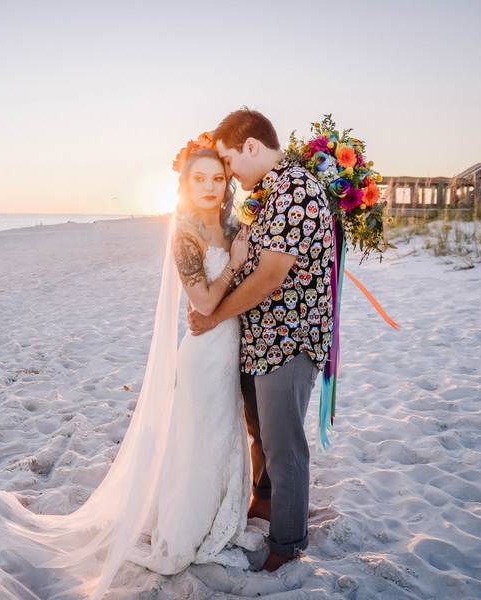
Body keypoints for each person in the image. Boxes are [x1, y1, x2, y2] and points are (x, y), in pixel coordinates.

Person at [0, 140, 260, 600]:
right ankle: (188, 529)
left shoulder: (231, 225)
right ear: (184, 185)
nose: (208, 187)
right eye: (198, 179)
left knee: (221, 433)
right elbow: (202, 302)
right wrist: (235, 266)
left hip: (230, 347)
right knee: (201, 435)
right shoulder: (185, 235)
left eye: (217, 179)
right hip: (203, 353)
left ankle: (219, 517)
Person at [188, 108, 335, 572]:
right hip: (261, 340)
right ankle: (266, 503)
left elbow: (270, 275)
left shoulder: (295, 192)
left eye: (230, 162)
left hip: (288, 341)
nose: (229, 173)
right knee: (261, 437)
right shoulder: (272, 190)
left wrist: (214, 318)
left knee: (284, 446)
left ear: (251, 147)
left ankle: (287, 544)